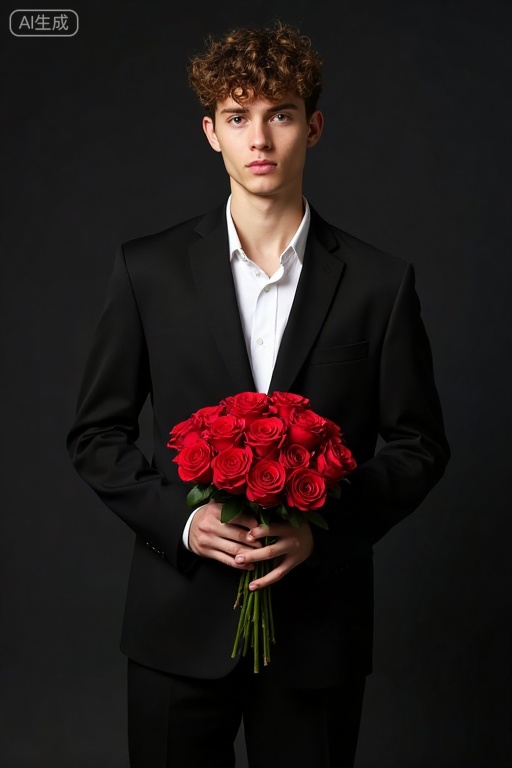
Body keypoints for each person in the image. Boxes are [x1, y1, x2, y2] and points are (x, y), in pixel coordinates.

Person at [66, 21, 450, 768]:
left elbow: (419, 443)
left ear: (314, 125)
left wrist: (323, 531)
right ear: (211, 133)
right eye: (238, 117)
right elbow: (97, 434)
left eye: (279, 114)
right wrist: (184, 525)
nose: (260, 138)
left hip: (319, 635)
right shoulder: (147, 270)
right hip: (174, 627)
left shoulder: (379, 283)